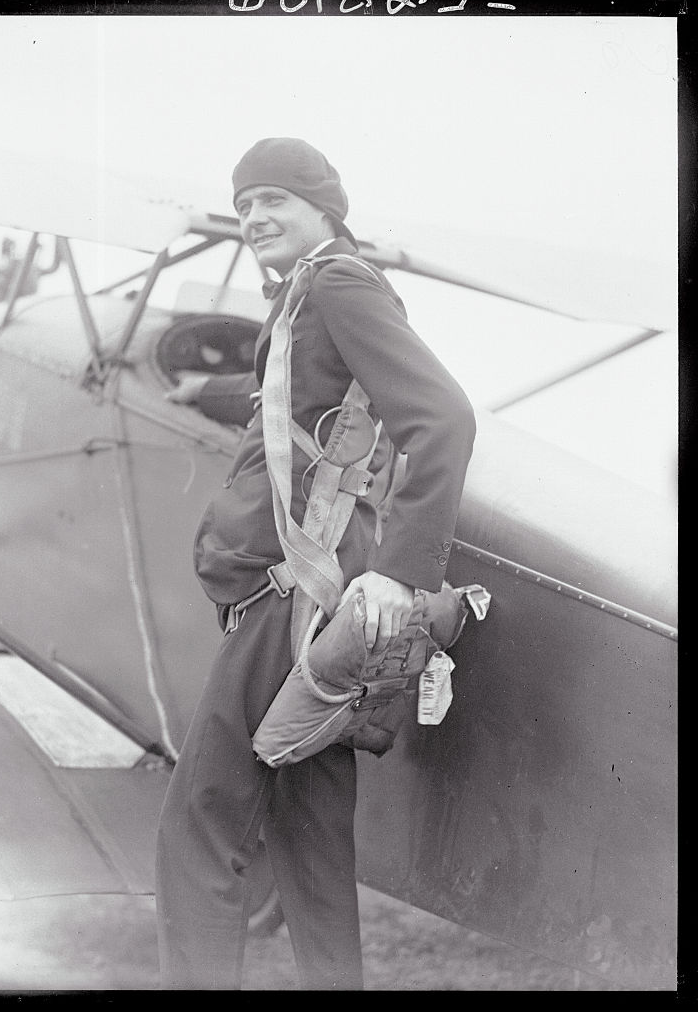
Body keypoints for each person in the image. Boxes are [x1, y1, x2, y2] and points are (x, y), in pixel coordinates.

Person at [154, 137, 476, 990]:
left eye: (276, 202)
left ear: (325, 211)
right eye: (245, 204)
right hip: (319, 602)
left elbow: (443, 418)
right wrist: (214, 393)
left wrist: (403, 572)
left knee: (201, 830)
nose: (255, 218)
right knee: (309, 839)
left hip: (293, 597)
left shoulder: (332, 283)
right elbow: (312, 406)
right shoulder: (316, 290)